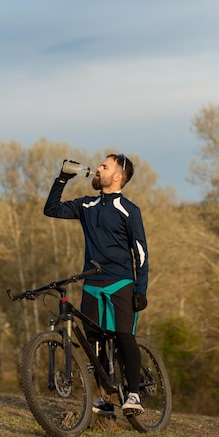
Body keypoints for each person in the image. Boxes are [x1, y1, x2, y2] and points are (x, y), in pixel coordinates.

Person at [43, 154, 148, 414]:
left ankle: (133, 394)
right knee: (94, 343)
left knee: (124, 336)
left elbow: (141, 253)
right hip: (91, 283)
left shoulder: (129, 210)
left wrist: (141, 289)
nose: (98, 169)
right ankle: (105, 399)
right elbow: (51, 209)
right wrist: (62, 179)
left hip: (121, 282)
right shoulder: (86, 205)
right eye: (99, 165)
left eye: (105, 166)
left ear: (118, 176)